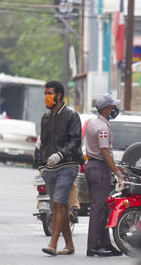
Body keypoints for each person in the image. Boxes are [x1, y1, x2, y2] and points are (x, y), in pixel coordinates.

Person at [38, 80, 83, 256]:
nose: (47, 97)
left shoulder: (71, 116)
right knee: (60, 205)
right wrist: (41, 164)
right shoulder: (45, 118)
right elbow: (42, 142)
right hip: (49, 168)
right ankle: (70, 245)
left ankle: (53, 243)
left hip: (67, 165)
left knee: (58, 202)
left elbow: (76, 140)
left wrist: (61, 155)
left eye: (49, 93)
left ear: (58, 95)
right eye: (45, 94)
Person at [84, 93, 124, 257]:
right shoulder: (101, 128)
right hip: (99, 168)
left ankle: (106, 243)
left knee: (104, 209)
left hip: (95, 167)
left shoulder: (95, 122)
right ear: (107, 109)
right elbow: (105, 152)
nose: (115, 109)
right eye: (113, 107)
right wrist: (116, 171)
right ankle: (93, 246)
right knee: (98, 210)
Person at [34, 135, 80, 223]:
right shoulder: (64, 135)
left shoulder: (43, 135)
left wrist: (40, 167)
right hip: (57, 169)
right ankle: (73, 208)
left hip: (45, 169)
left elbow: (37, 152)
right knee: (73, 187)